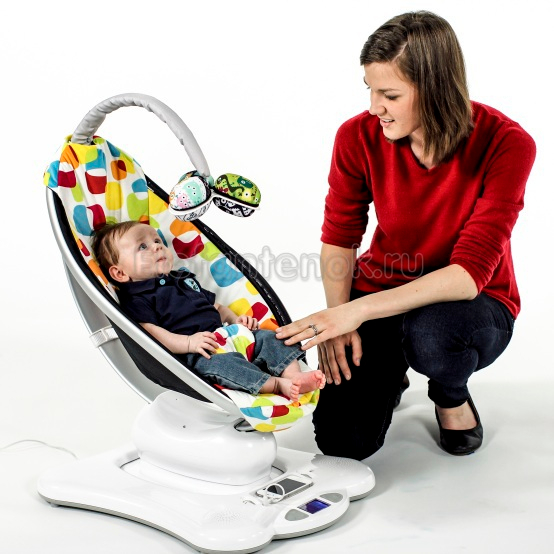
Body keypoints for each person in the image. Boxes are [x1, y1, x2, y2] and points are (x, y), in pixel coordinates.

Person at [275, 11, 536, 458]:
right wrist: (339, 318)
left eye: (390, 95)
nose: (374, 107)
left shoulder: (507, 143)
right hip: (383, 287)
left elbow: (469, 274)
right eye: (370, 89)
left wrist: (353, 312)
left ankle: (450, 393)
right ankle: (391, 368)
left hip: (473, 303)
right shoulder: (356, 136)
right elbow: (340, 234)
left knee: (431, 338)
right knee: (342, 442)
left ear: (435, 89)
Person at [91, 221, 326, 401]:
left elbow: (217, 308)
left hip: (229, 335)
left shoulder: (183, 278)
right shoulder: (137, 298)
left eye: (157, 240)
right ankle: (276, 384)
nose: (157, 246)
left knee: (272, 337)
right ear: (120, 273)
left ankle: (293, 374)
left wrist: (236, 320)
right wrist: (188, 343)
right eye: (142, 246)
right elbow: (150, 333)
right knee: (224, 366)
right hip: (200, 353)